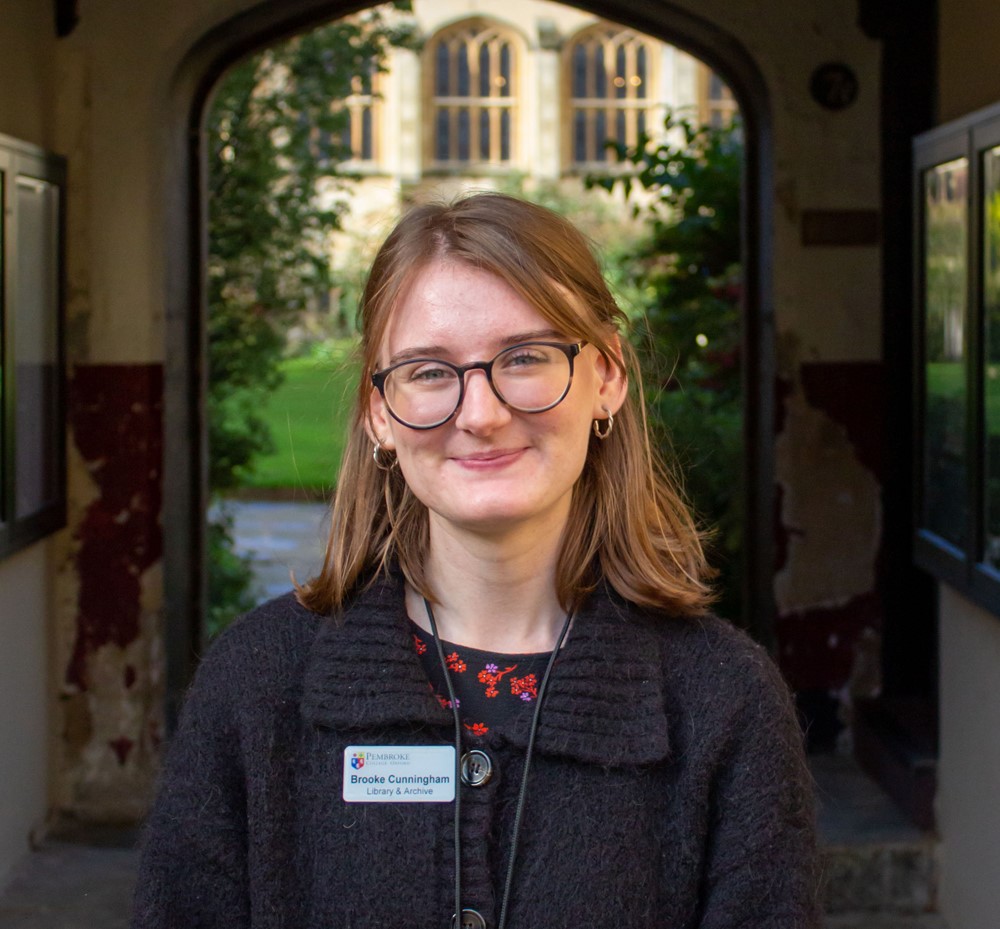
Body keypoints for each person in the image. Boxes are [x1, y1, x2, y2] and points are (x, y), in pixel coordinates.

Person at [132, 193, 819, 929]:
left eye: (525, 357)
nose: (481, 413)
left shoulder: (723, 701)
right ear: (377, 413)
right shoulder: (257, 684)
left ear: (609, 377)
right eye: (429, 371)